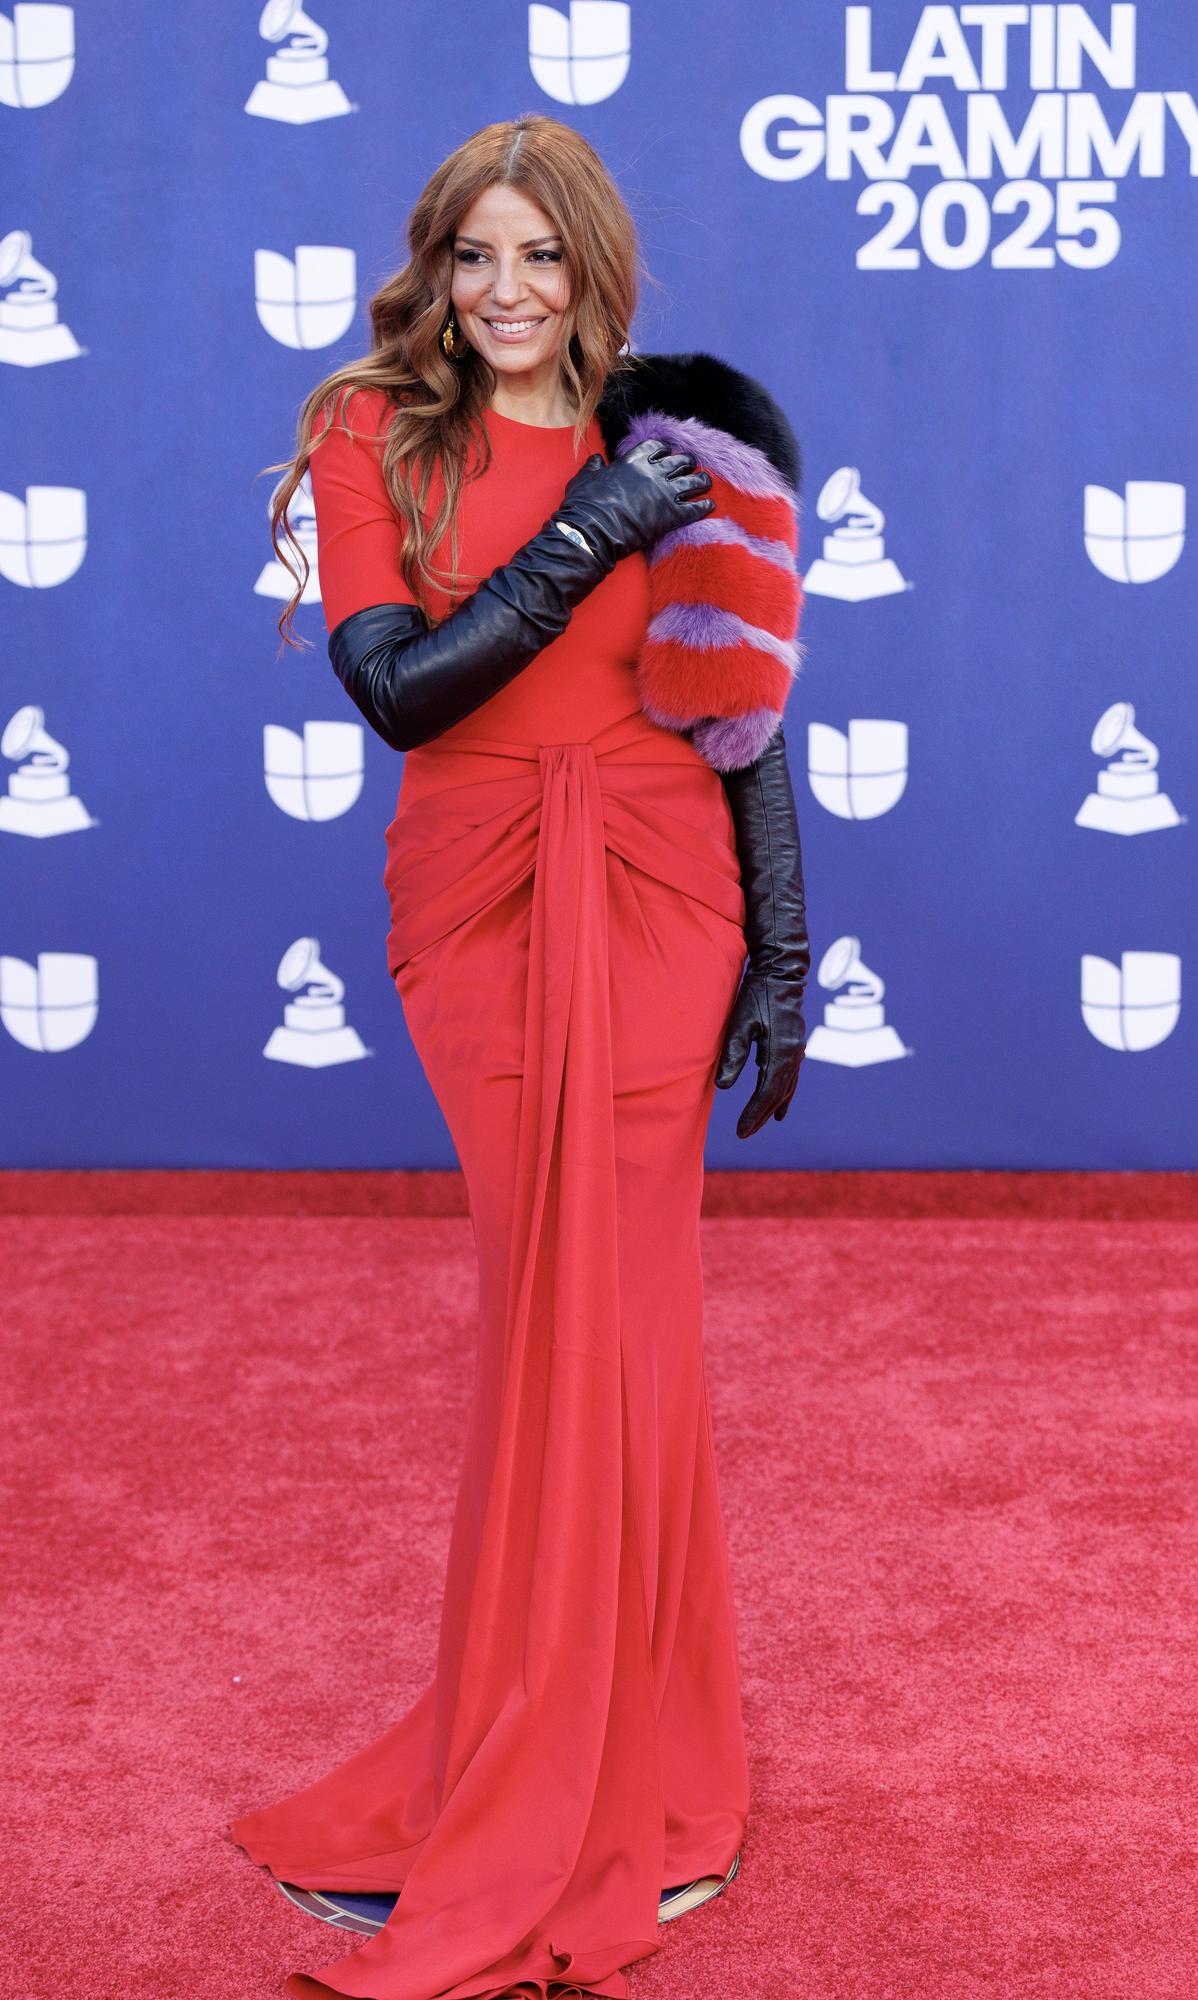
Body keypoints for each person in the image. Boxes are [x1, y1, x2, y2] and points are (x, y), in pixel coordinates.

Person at [230, 113, 809, 2000]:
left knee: (632, 1317)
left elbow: (743, 711)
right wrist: (579, 540)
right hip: (477, 894)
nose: (503, 292)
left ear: (594, 272)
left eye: (537, 257)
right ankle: (532, 1760)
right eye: (472, 256)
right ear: (432, 265)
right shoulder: (366, 435)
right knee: (544, 1312)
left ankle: (647, 1771)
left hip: (661, 885)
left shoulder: (687, 436)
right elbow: (402, 694)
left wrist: (784, 942)